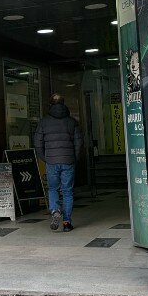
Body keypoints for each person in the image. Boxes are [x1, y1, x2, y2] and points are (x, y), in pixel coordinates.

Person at [33, 93, 83, 232]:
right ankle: (67, 222)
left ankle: (55, 210)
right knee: (67, 192)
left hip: (52, 161)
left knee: (53, 189)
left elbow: (37, 143)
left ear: (51, 105)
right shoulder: (72, 122)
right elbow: (79, 142)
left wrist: (45, 157)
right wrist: (74, 158)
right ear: (63, 103)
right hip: (68, 161)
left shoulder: (44, 122)